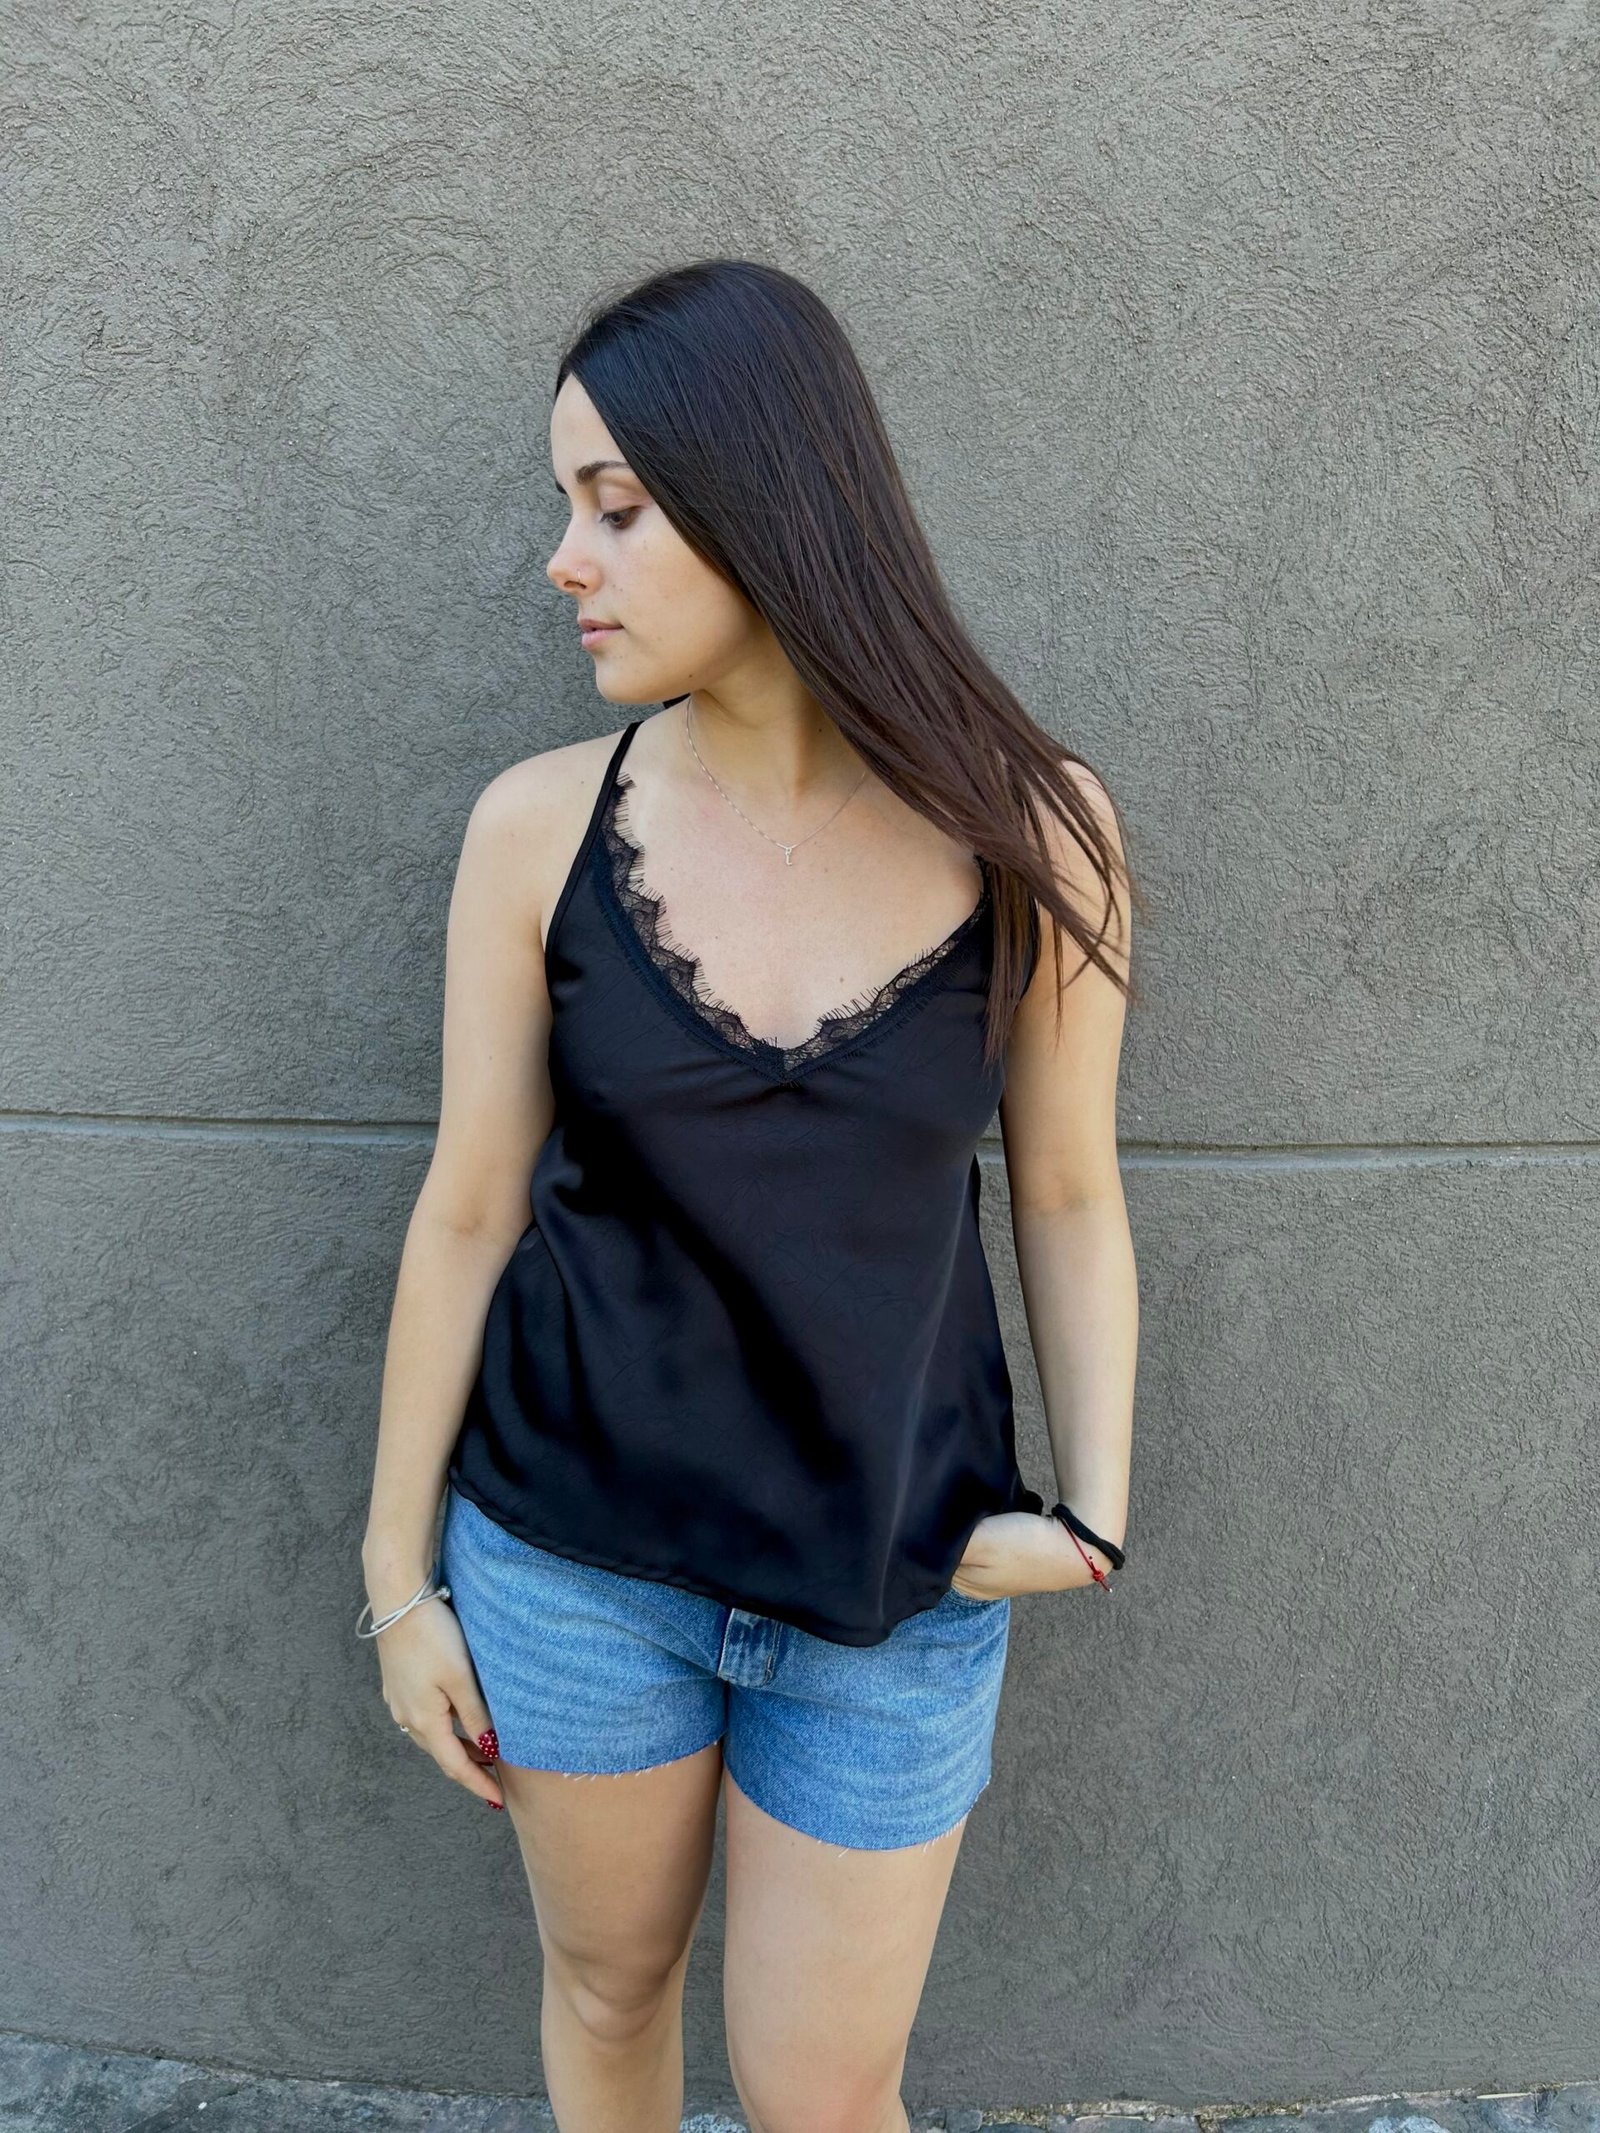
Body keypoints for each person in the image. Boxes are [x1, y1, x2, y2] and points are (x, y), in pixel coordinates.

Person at [358, 257, 1141, 2133]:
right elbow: (468, 1206)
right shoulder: (536, 829)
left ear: (767, 498)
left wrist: (1094, 1511)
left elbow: (1067, 1190)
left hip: (894, 1581)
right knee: (607, 1990)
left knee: (823, 2091)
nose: (567, 559)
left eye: (618, 506)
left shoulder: (1038, 833)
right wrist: (397, 1582)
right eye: (571, 505)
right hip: (573, 1571)